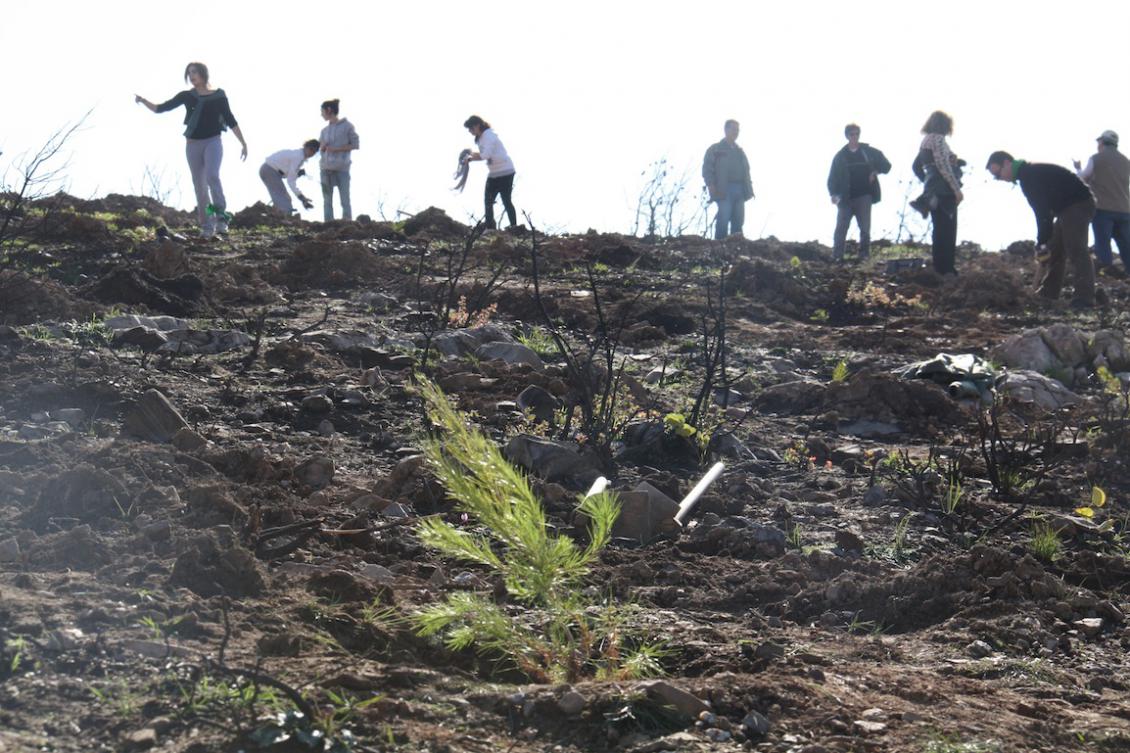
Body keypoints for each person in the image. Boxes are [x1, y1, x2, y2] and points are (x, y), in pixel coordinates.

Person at [135, 62, 247, 237]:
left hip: (213, 141)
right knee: (200, 187)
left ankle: (221, 220)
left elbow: (230, 119)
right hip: (193, 144)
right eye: (189, 73)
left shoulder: (218, 95)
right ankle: (207, 226)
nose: (192, 75)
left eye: (195, 72)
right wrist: (143, 101)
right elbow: (160, 108)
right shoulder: (187, 96)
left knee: (212, 176)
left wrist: (243, 143)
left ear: (203, 74)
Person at [986, 151, 1097, 308]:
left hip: (1078, 204)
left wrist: (1041, 241)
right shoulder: (1027, 174)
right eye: (995, 176)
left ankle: (1084, 298)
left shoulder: (1029, 176)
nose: (999, 178)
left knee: (1076, 249)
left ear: (1007, 163)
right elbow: (1045, 213)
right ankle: (1048, 294)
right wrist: (1045, 243)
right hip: (1064, 209)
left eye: (998, 173)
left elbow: (1042, 212)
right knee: (1055, 250)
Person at [827, 123, 891, 261]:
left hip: (864, 196)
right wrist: (833, 194)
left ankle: (864, 256)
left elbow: (887, 165)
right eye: (852, 134)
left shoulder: (868, 152)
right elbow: (832, 178)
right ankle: (837, 256)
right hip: (845, 199)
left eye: (857, 134)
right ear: (847, 136)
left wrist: (875, 171)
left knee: (865, 229)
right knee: (841, 229)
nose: (855, 137)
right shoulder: (840, 156)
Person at [910, 111, 963, 275]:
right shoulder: (938, 140)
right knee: (948, 230)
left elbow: (916, 166)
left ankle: (940, 268)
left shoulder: (925, 141)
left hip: (933, 191)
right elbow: (943, 166)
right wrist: (956, 189)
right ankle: (947, 269)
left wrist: (928, 183)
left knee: (938, 229)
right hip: (944, 193)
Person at [1074, 129, 1130, 276]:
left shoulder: (1096, 158)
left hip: (1103, 209)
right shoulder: (1126, 161)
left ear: (1102, 142)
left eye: (1099, 141)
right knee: (1126, 245)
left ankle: (1106, 272)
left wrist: (1078, 168)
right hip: (1125, 210)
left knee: (1103, 243)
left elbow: (1082, 178)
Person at [702, 120, 755, 240]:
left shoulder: (740, 152)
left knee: (738, 220)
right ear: (726, 130)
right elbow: (707, 169)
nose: (736, 132)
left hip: (740, 189)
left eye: (737, 130)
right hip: (723, 189)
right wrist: (711, 185)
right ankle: (719, 246)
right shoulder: (715, 149)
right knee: (723, 218)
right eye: (733, 129)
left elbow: (746, 171)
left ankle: (736, 249)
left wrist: (749, 189)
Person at [462, 115, 516, 229]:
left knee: (506, 201)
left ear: (477, 125)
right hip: (494, 173)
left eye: (471, 129)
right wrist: (469, 154)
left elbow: (486, 155)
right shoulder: (480, 138)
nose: (470, 131)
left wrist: (470, 159)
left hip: (505, 172)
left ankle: (514, 227)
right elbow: (483, 154)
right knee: (488, 201)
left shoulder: (489, 136)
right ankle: (490, 228)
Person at [319, 99, 360, 222]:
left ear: (329, 110)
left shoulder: (348, 126)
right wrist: (323, 147)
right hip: (325, 169)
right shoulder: (324, 131)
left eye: (322, 111)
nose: (321, 114)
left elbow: (355, 144)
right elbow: (321, 149)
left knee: (345, 199)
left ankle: (347, 224)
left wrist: (336, 149)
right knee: (327, 200)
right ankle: (328, 224)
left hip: (342, 169)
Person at [260, 140, 320, 215]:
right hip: (270, 171)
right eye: (311, 149)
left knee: (285, 199)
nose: (312, 153)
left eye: (315, 151)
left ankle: (273, 216)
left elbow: (288, 175)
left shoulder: (298, 155)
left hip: (270, 171)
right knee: (285, 204)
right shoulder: (298, 157)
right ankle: (281, 222)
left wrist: (297, 174)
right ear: (305, 147)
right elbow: (290, 181)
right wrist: (302, 198)